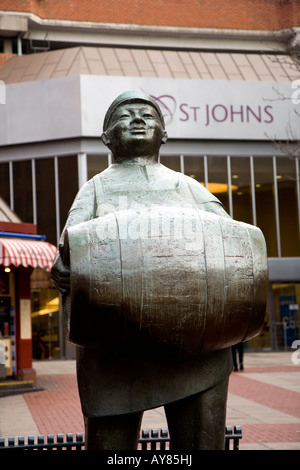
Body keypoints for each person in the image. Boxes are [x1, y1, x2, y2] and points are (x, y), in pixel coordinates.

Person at [51, 90, 234, 450]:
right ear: (106, 137)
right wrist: (64, 267)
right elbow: (69, 250)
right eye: (125, 115)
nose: (138, 120)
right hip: (114, 346)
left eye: (148, 116)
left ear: (163, 134)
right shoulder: (95, 190)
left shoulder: (189, 188)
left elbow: (230, 244)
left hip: (194, 347)